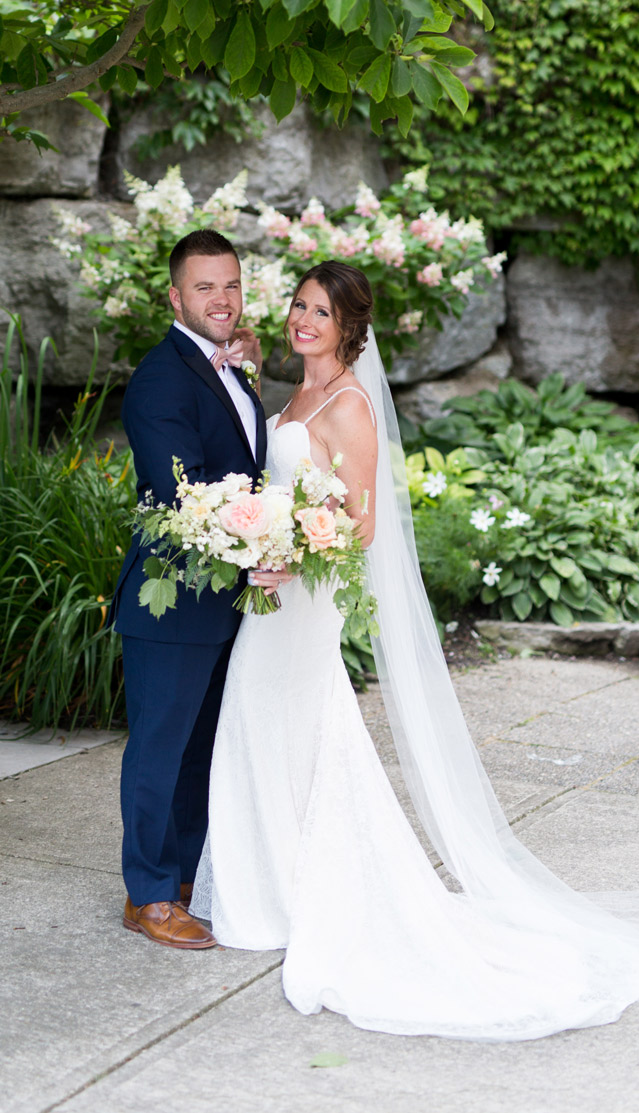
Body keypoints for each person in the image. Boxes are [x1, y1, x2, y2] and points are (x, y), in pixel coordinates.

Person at [191, 260, 639, 1038]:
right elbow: (288, 476)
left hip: (301, 598)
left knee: (272, 718)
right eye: (298, 307)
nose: (303, 320)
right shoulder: (301, 388)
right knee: (271, 728)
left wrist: (293, 551)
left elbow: (363, 525)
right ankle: (272, 889)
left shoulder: (348, 405)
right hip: (275, 591)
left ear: (350, 327)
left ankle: (284, 895)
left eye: (321, 312)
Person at [109, 228, 282, 949]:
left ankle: (180, 875)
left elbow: (242, 461)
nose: (222, 298)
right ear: (175, 296)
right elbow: (184, 493)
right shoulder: (160, 378)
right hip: (172, 599)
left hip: (224, 601)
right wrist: (259, 548)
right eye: (205, 286)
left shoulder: (229, 368)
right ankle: (147, 893)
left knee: (199, 748)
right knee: (157, 747)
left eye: (232, 284)